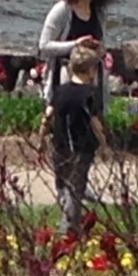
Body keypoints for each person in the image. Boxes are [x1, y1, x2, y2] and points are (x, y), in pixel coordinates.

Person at [38, 0, 113, 202]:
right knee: (62, 134)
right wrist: (75, 45)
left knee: (87, 131)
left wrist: (99, 50)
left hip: (91, 80)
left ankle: (80, 182)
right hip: (64, 80)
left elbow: (104, 45)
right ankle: (63, 186)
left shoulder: (97, 13)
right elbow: (44, 46)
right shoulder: (63, 10)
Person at [37, 44, 111, 235]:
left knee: (62, 184)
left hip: (59, 145)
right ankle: (69, 229)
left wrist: (40, 139)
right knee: (76, 189)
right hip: (82, 148)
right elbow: (95, 123)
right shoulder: (90, 94)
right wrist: (104, 145)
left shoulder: (60, 91)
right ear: (90, 70)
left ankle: (66, 219)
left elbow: (48, 115)